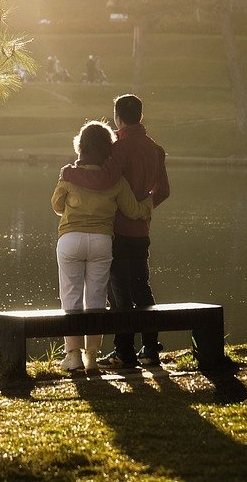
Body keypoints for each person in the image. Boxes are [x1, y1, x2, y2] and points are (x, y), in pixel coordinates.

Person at [60, 93, 170, 368]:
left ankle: (125, 351)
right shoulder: (156, 149)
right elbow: (163, 191)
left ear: (118, 117)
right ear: (141, 116)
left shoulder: (118, 147)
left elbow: (105, 179)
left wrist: (71, 174)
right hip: (141, 230)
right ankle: (150, 348)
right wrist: (145, 208)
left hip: (117, 228)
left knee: (118, 293)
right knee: (142, 289)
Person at [51, 120, 151, 374]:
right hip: (101, 242)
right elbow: (133, 210)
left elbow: (57, 206)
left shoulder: (69, 174)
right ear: (108, 149)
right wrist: (149, 202)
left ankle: (72, 356)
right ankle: (92, 358)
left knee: (70, 297)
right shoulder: (116, 181)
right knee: (96, 299)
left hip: (70, 240)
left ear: (80, 146)